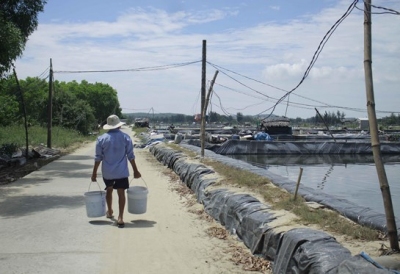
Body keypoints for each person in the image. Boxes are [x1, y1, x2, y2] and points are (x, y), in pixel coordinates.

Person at [91, 114, 141, 227]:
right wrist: (135, 171)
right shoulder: (125, 138)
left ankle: (110, 211)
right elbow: (130, 156)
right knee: (121, 192)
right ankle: (120, 217)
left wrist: (94, 173)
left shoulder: (101, 139)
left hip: (107, 172)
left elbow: (98, 158)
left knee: (109, 190)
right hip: (121, 172)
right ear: (119, 125)